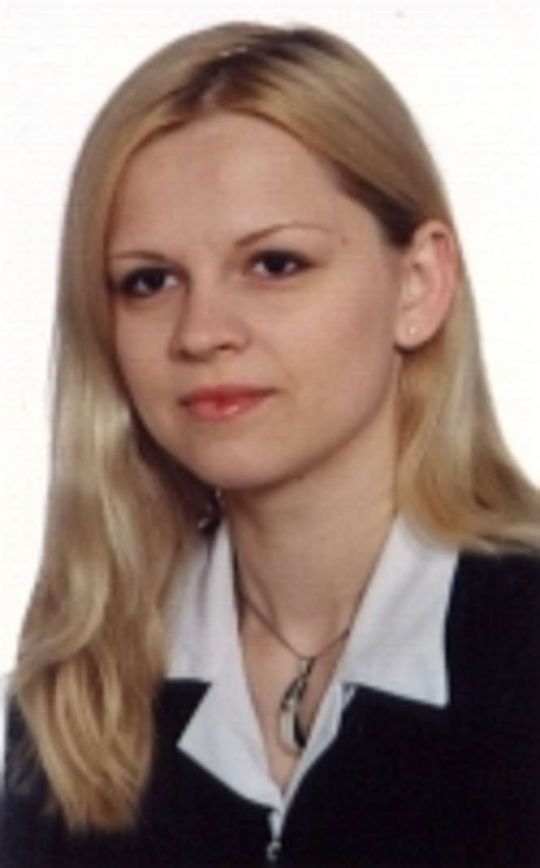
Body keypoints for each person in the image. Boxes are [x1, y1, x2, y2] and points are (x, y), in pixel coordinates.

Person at [1, 20, 539, 867]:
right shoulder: (76, 696)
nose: (201, 331)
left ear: (419, 284)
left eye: (275, 264)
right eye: (149, 280)